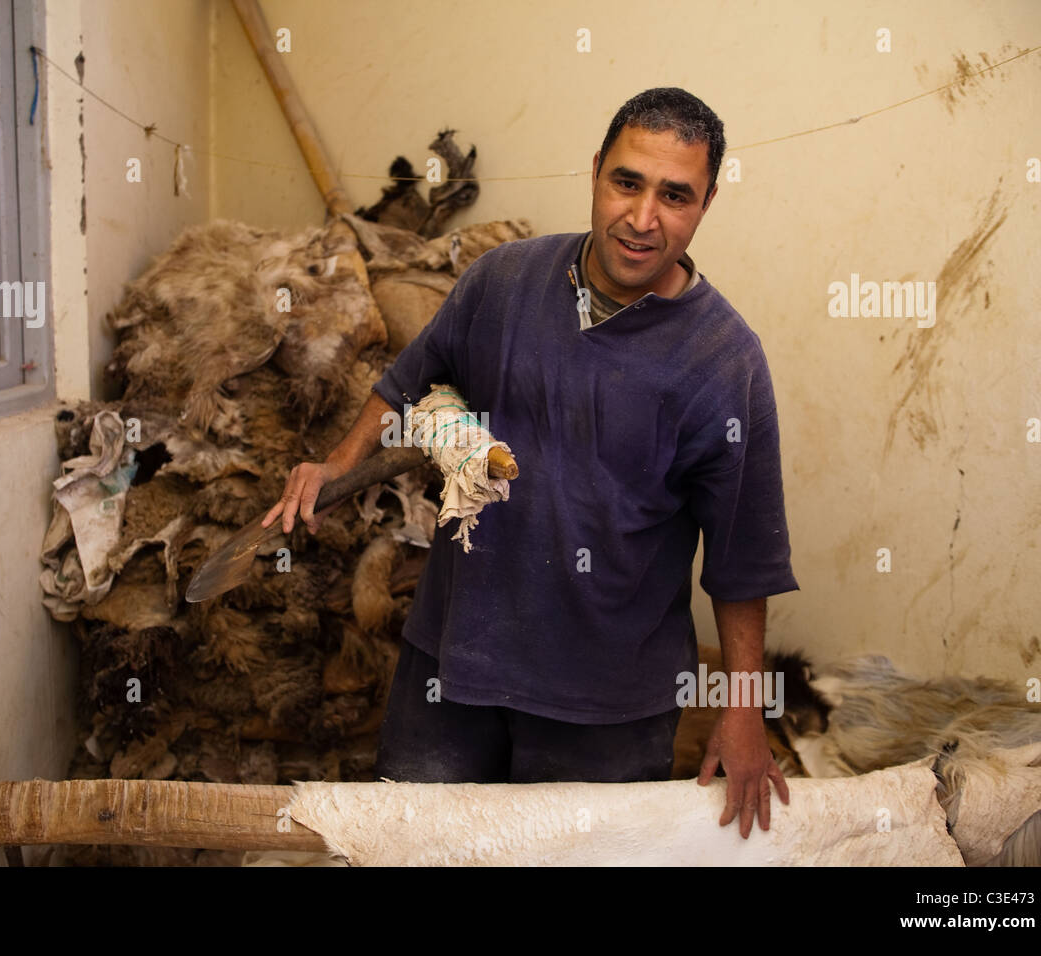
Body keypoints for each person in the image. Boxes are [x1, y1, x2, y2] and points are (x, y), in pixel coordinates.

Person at [263, 88, 798, 839]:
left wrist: (744, 709)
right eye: (628, 182)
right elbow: (410, 376)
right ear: (594, 173)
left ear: (705, 204)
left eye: (675, 196)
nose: (644, 218)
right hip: (453, 667)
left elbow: (744, 559)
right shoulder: (505, 282)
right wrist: (333, 463)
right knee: (414, 850)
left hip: (607, 707)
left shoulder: (723, 362)